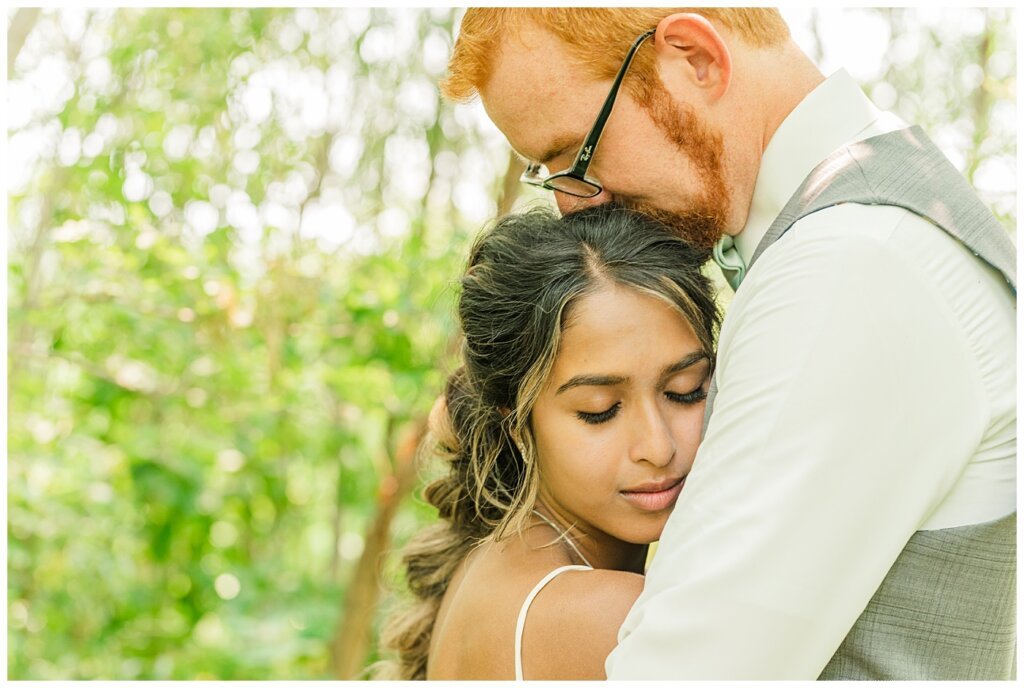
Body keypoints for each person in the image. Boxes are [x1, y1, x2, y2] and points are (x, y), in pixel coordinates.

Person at [440, 8, 1016, 681]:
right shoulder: (865, 233)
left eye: (578, 156)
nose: (575, 208)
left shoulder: (850, 263)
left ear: (697, 58)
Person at [373, 205, 720, 679]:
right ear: (515, 418)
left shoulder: (494, 567)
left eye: (686, 391)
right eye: (599, 410)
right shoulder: (604, 617)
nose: (658, 447)